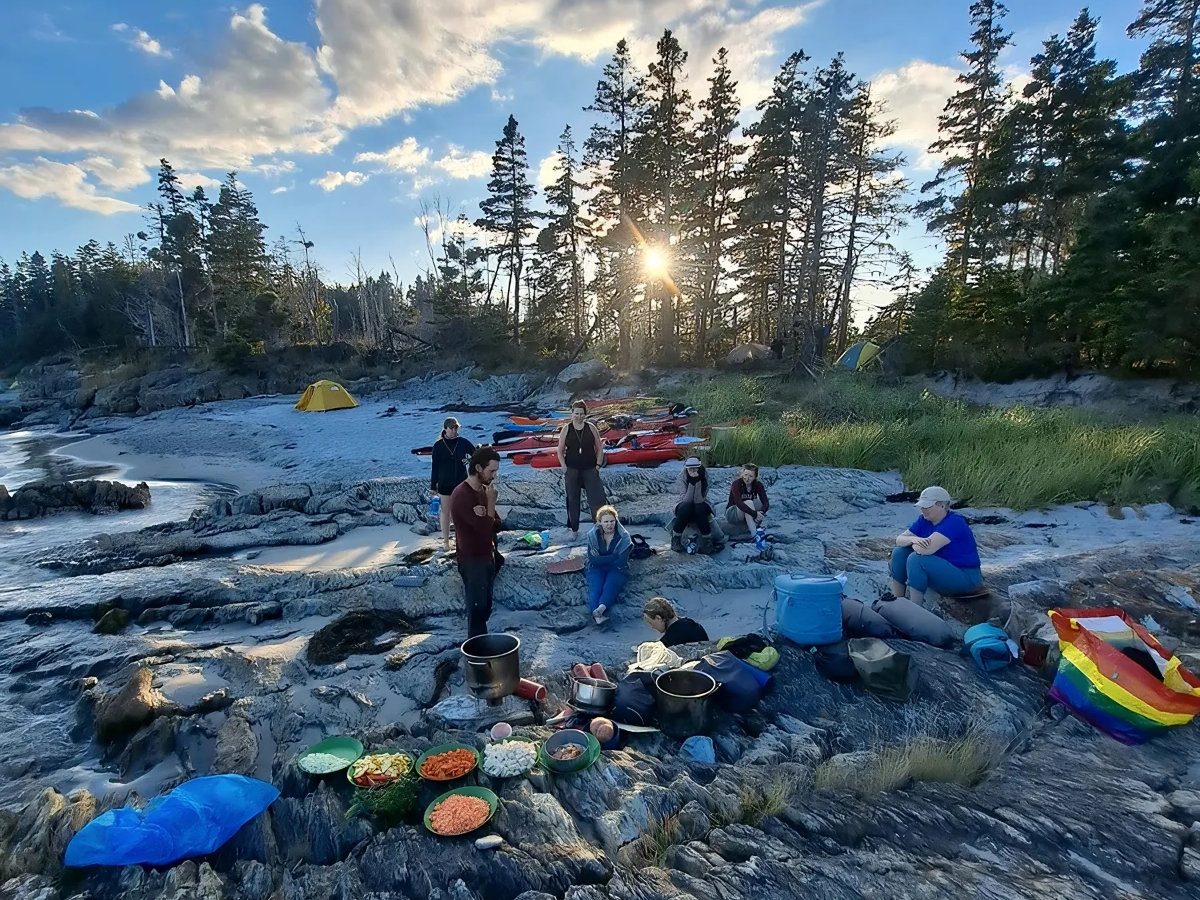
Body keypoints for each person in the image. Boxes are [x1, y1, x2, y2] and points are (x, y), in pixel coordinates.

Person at [890, 486, 983, 602]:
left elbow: (925, 550)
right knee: (899, 552)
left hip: (966, 576)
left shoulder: (954, 522)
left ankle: (914, 608)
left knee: (916, 559)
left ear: (941, 505)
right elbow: (899, 539)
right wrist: (913, 539)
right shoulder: (924, 520)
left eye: (927, 506)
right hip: (943, 570)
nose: (923, 509)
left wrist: (914, 542)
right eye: (921, 506)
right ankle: (897, 600)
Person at [450, 447, 503, 638]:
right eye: (492, 471)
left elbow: (496, 525)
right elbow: (483, 531)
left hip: (487, 556)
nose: (494, 476)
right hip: (472, 560)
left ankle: (482, 648)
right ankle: (476, 653)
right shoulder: (462, 496)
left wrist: (487, 513)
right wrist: (490, 503)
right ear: (479, 468)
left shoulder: (483, 490)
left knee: (485, 608)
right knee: (477, 612)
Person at [556, 399, 608, 539]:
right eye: (576, 413)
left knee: (597, 499)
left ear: (585, 414)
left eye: (581, 414)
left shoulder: (591, 427)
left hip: (590, 468)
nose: (579, 416)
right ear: (572, 414)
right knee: (573, 499)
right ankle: (574, 529)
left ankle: (599, 527)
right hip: (572, 469)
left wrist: (598, 465)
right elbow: (560, 450)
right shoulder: (567, 429)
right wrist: (564, 467)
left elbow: (599, 447)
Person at [430, 417, 476, 551]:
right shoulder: (438, 446)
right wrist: (433, 485)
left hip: (461, 482)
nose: (455, 431)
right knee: (446, 511)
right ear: (445, 429)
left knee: (462, 511)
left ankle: (461, 540)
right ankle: (445, 541)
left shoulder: (463, 442)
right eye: (452, 428)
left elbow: (476, 455)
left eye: (456, 428)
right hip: (444, 483)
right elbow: (435, 467)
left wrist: (468, 461)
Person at [585, 504, 631, 625]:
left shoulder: (624, 537)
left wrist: (603, 558)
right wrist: (613, 557)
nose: (609, 524)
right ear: (599, 522)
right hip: (596, 567)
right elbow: (593, 559)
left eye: (612, 521)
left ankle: (601, 609)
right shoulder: (592, 536)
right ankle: (597, 616)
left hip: (617, 568)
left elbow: (621, 560)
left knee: (610, 586)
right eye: (606, 522)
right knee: (595, 588)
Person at [670, 457, 714, 554]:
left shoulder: (705, 476)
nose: (693, 471)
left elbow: (700, 499)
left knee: (700, 508)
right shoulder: (681, 477)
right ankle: (676, 539)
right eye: (690, 469)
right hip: (684, 503)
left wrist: (697, 482)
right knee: (686, 507)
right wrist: (691, 484)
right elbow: (686, 500)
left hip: (701, 503)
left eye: (695, 468)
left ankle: (707, 542)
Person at [642, 597, 709, 648]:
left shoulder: (668, 641)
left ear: (658, 618)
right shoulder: (692, 624)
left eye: (650, 622)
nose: (652, 627)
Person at [726, 463, 770, 531]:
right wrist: (755, 514)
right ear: (742, 474)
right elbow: (739, 503)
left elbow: (766, 502)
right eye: (745, 475)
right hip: (733, 512)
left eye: (751, 476)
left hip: (748, 511)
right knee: (748, 502)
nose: (747, 478)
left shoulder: (758, 485)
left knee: (758, 502)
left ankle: (753, 525)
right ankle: (754, 534)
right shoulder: (736, 484)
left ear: (755, 477)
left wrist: (761, 513)